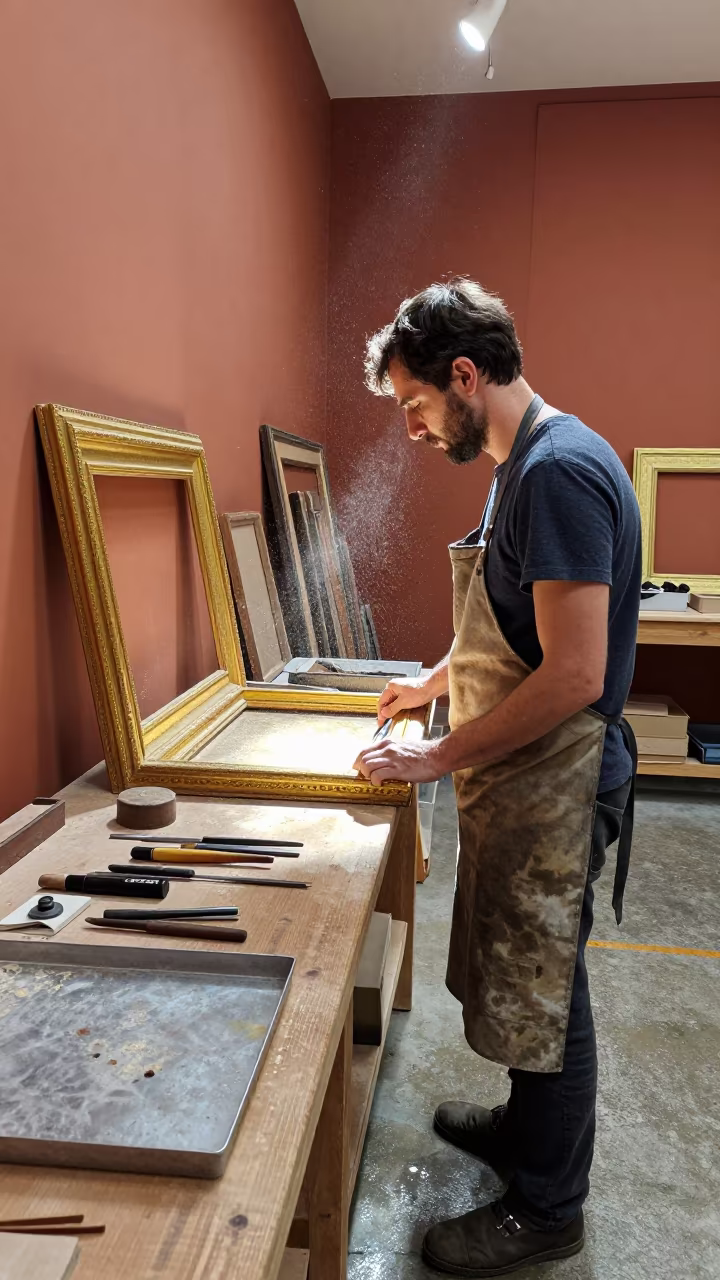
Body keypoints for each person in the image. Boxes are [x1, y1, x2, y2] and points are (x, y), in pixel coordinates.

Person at [354, 279, 641, 1277]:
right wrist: (432, 681)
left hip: (561, 776)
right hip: (523, 771)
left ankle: (548, 1207)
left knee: (550, 986)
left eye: (417, 406)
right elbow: (511, 624)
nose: (416, 429)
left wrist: (435, 753)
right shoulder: (518, 465)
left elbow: (575, 670)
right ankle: (526, 1131)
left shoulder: (560, 472)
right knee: (523, 966)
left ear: (463, 375)